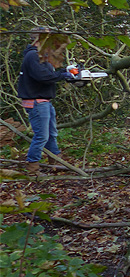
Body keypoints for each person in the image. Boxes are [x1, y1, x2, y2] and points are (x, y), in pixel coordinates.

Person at [16, 27, 78, 175]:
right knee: (42, 135)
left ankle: (56, 163)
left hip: (44, 101)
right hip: (36, 101)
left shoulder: (41, 56)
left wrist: (65, 72)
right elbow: (43, 77)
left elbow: (49, 74)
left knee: (51, 133)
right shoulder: (33, 56)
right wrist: (64, 75)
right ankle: (32, 167)